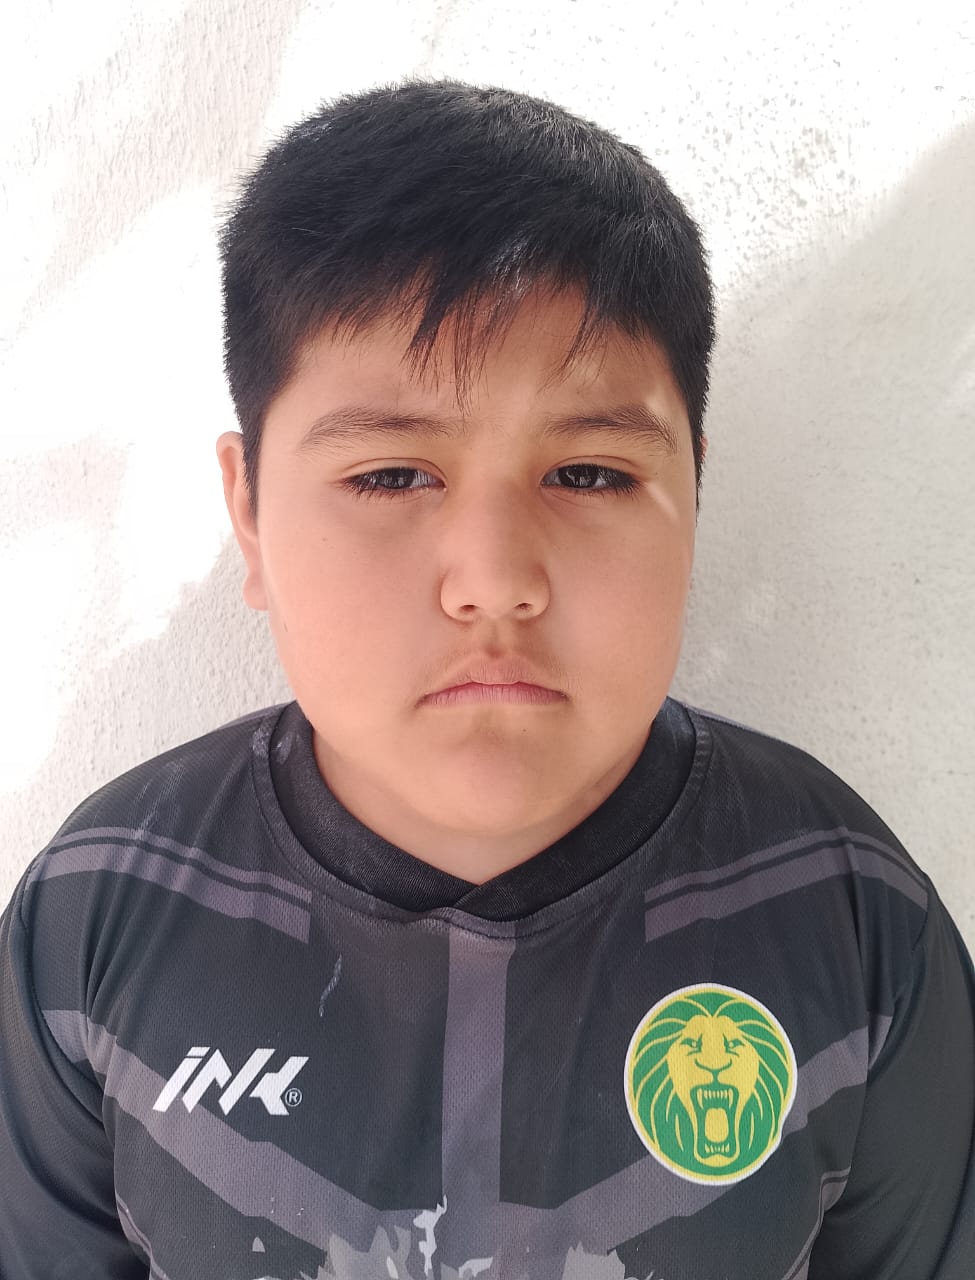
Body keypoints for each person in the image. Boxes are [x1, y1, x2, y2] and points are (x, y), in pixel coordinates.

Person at [1, 76, 972, 1280]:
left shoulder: (847, 910)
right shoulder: (101, 909)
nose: (496, 581)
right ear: (248, 513)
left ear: (693, 490)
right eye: (392, 475)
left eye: (590, 473)